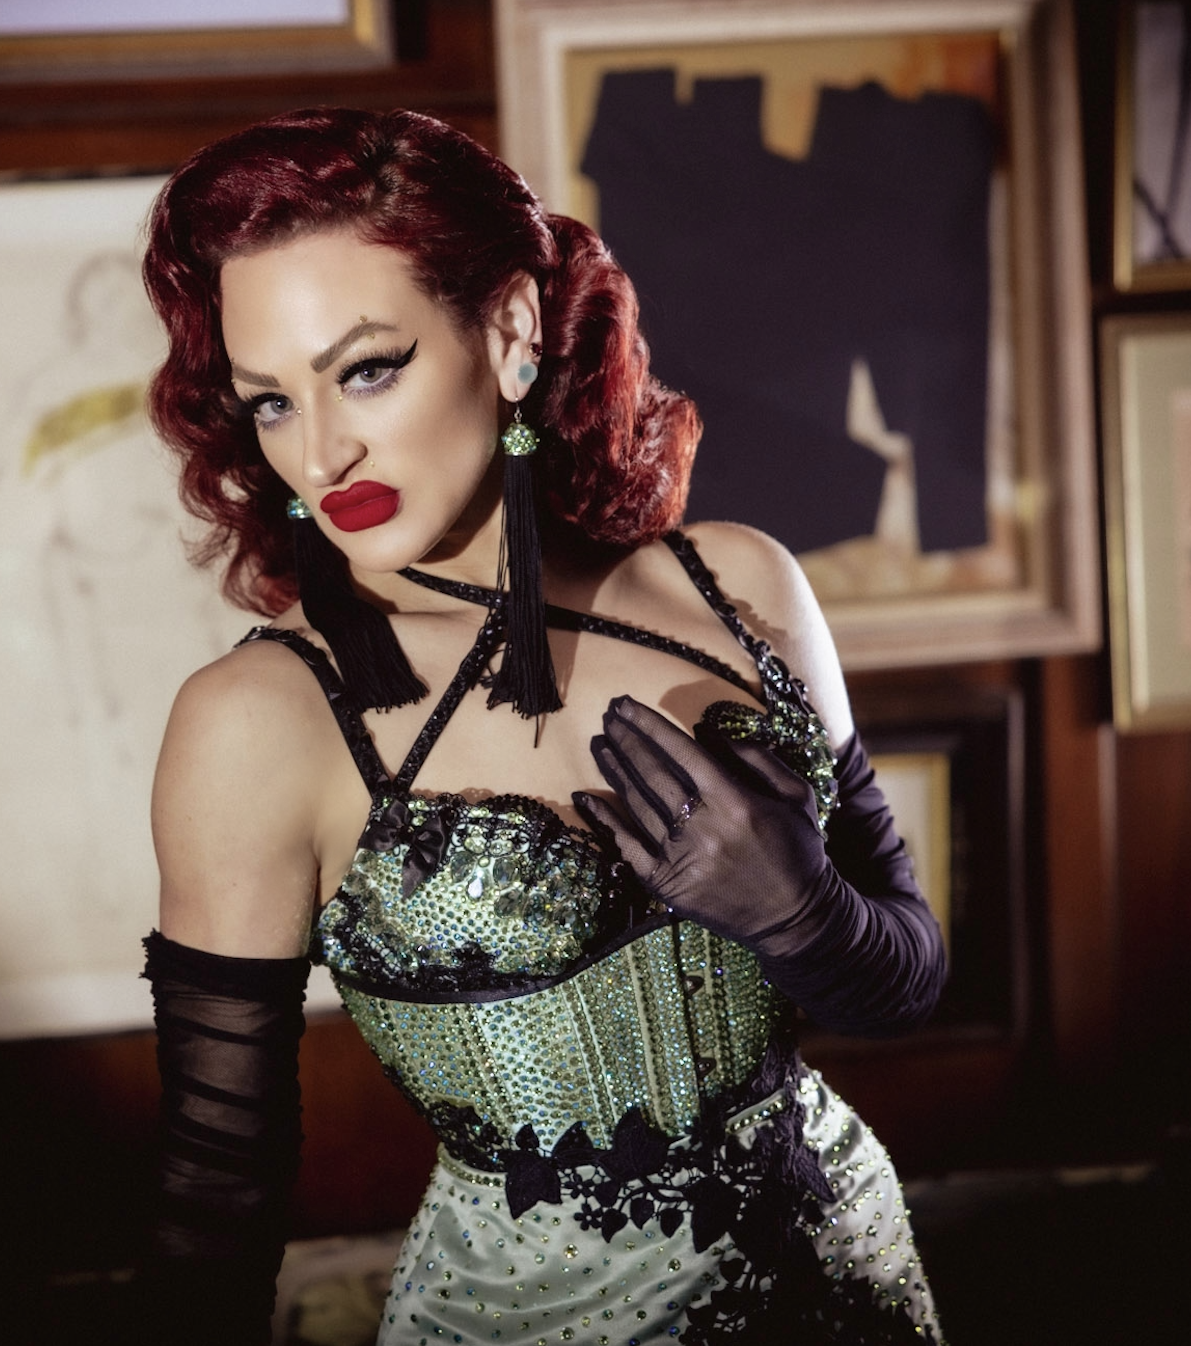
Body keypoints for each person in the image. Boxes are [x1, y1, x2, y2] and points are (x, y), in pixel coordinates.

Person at [139, 106, 947, 1344]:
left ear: (511, 332)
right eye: (272, 402)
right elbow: (216, 1191)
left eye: (367, 368)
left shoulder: (737, 586)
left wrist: (806, 913)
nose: (324, 450)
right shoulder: (261, 718)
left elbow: (910, 978)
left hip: (853, 1283)